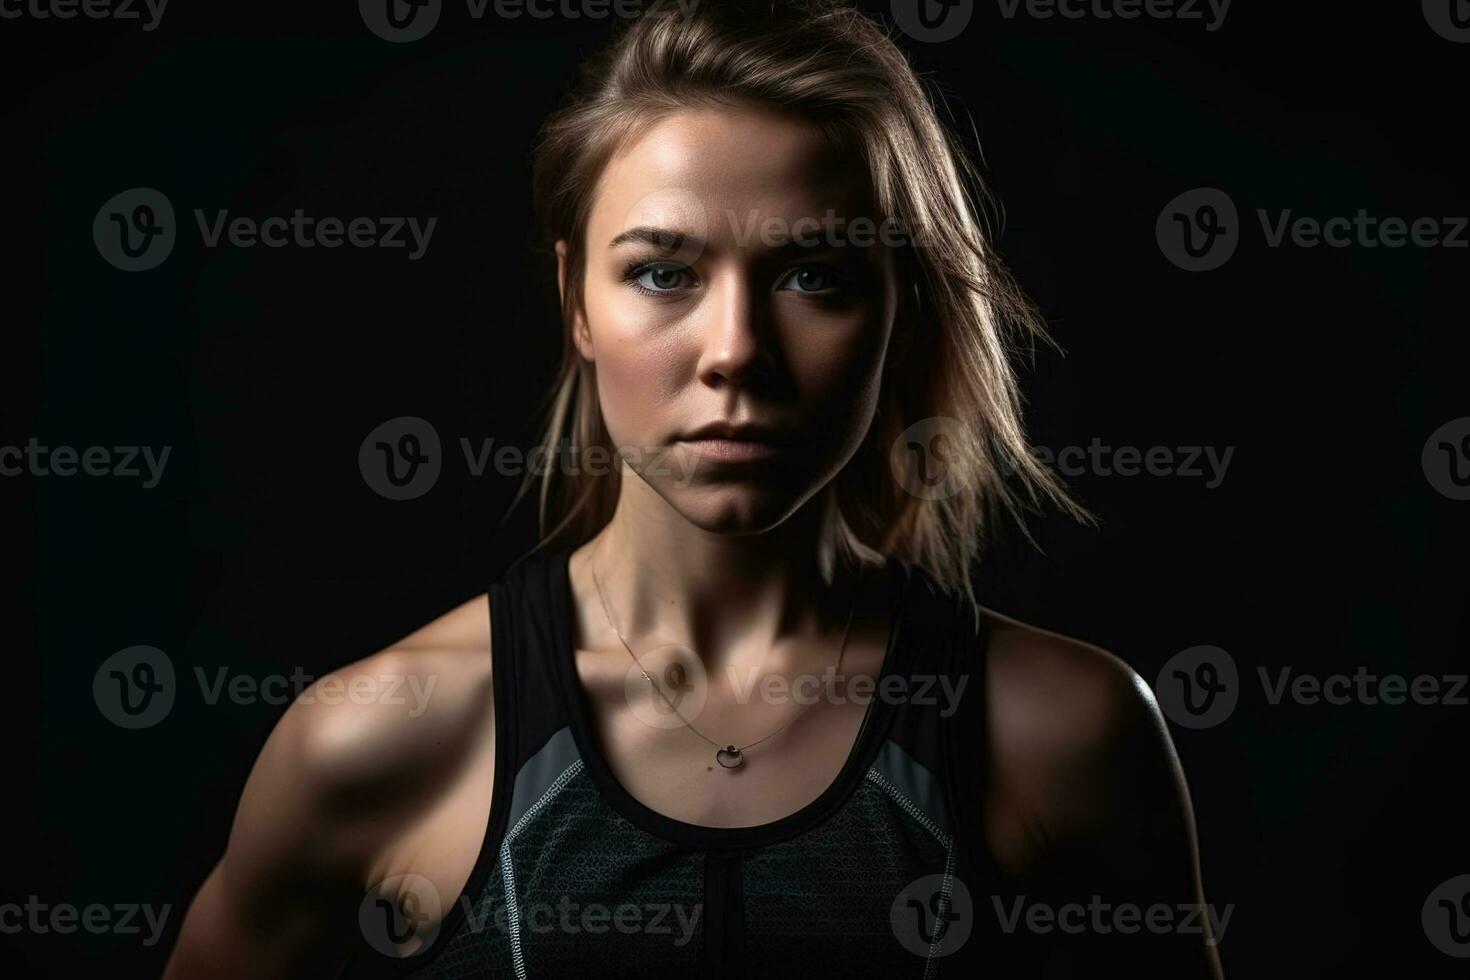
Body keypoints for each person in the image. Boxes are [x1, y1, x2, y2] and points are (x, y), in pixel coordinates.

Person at [162, 1, 1225, 976]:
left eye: (816, 274)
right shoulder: (382, 735)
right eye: (664, 272)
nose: (735, 352)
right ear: (578, 297)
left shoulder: (1061, 733)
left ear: (900, 307)